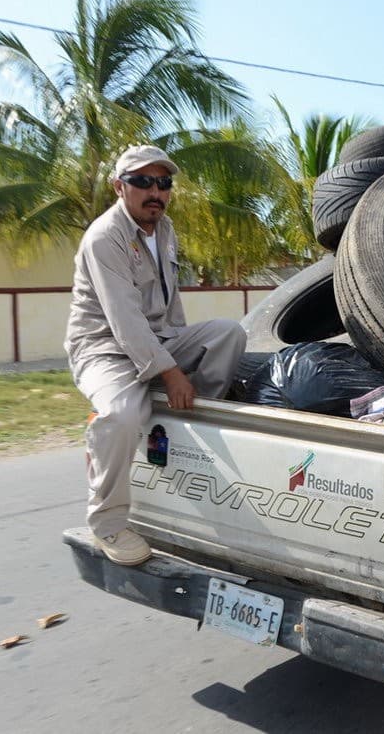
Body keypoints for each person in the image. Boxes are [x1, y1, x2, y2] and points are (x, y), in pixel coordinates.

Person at [65, 145, 246, 566]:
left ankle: (181, 432)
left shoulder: (164, 231)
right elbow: (124, 322)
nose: (155, 192)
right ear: (119, 186)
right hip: (103, 348)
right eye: (143, 182)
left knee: (228, 335)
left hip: (157, 339)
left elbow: (170, 305)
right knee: (123, 414)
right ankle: (107, 520)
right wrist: (172, 373)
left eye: (163, 183)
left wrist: (180, 357)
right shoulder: (104, 237)